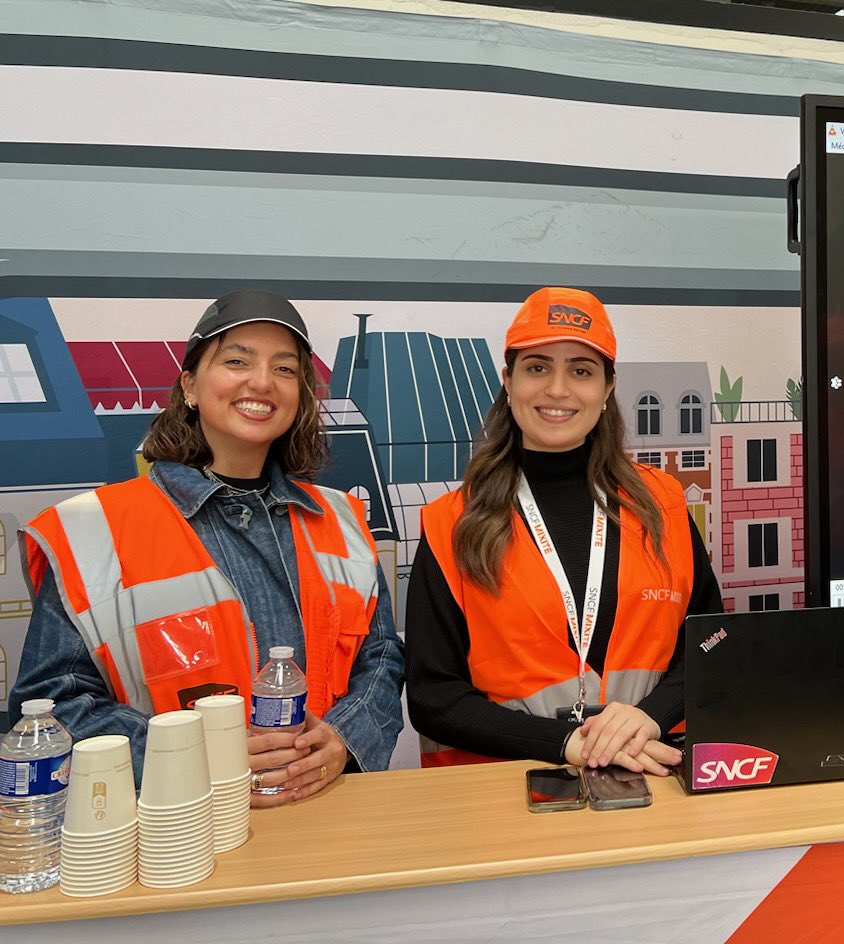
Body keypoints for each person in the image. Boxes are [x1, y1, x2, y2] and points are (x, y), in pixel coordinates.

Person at [12, 290, 405, 807]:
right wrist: (196, 756)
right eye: (237, 361)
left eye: (285, 369)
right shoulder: (94, 529)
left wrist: (343, 739)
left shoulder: (341, 518)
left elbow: (381, 655)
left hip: (325, 807)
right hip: (178, 823)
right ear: (191, 386)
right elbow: (54, 703)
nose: (261, 382)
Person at [404, 287, 722, 775]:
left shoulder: (665, 504)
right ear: (508, 381)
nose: (557, 389)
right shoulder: (452, 522)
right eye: (537, 367)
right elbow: (433, 696)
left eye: (581, 370)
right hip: (502, 788)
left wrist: (649, 717)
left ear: (608, 387)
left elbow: (711, 641)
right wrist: (565, 742)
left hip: (651, 777)